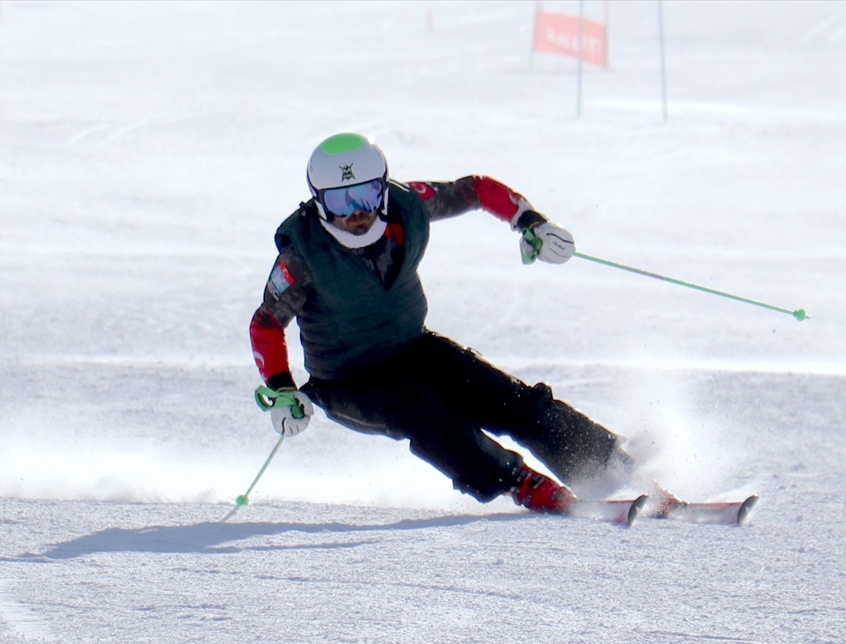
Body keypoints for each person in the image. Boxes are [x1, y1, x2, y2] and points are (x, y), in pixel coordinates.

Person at [249, 133, 634, 515]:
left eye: (365, 195)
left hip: (413, 349)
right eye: (338, 200)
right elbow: (266, 325)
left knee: (505, 397)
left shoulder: (407, 205)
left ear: (382, 189)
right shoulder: (302, 255)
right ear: (318, 199)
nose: (354, 212)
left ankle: (607, 462)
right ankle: (522, 485)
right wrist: (282, 390)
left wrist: (531, 222)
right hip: (346, 381)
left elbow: (477, 190)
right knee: (425, 413)